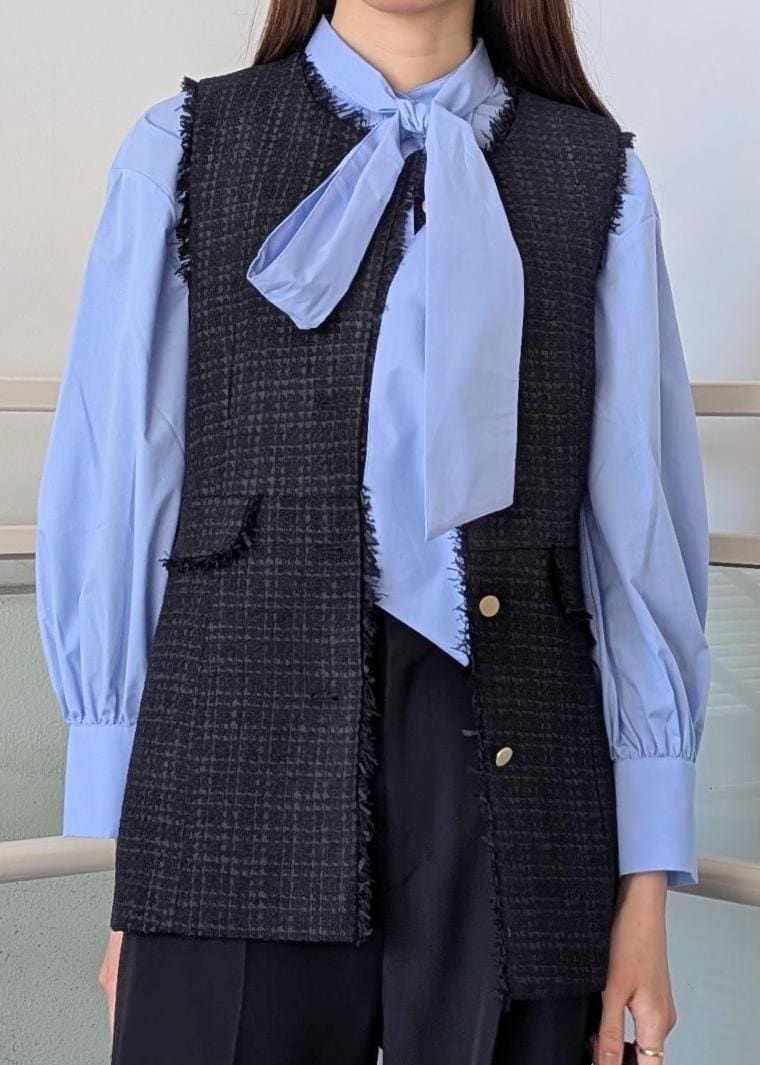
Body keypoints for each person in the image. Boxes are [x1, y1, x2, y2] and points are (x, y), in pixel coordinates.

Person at [34, 1, 711, 1063]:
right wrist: (137, 862)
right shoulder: (184, 148)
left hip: (524, 784)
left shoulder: (597, 175)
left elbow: (636, 528)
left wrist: (644, 891)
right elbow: (123, 469)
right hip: (229, 764)